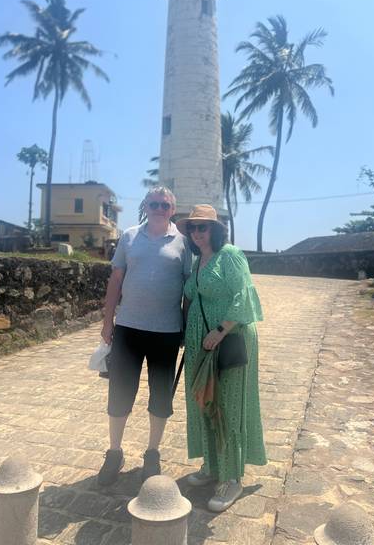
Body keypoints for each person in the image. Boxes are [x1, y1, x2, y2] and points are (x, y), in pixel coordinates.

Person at [97, 187, 191, 485]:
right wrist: (107, 319)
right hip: (128, 327)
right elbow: (116, 278)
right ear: (146, 206)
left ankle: (152, 452)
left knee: (161, 396)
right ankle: (114, 452)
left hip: (166, 331)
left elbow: (188, 289)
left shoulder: (184, 243)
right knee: (120, 392)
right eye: (154, 203)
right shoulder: (129, 236)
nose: (159, 208)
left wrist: (187, 326)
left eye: (165, 204)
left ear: (172, 209)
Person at [176, 204, 267, 513]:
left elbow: (245, 296)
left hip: (228, 339)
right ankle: (213, 465)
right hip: (201, 343)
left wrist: (219, 330)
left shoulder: (230, 255)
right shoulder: (198, 259)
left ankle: (231, 477)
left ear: (215, 229)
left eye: (203, 227)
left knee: (227, 405)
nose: (198, 232)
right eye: (193, 227)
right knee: (205, 401)